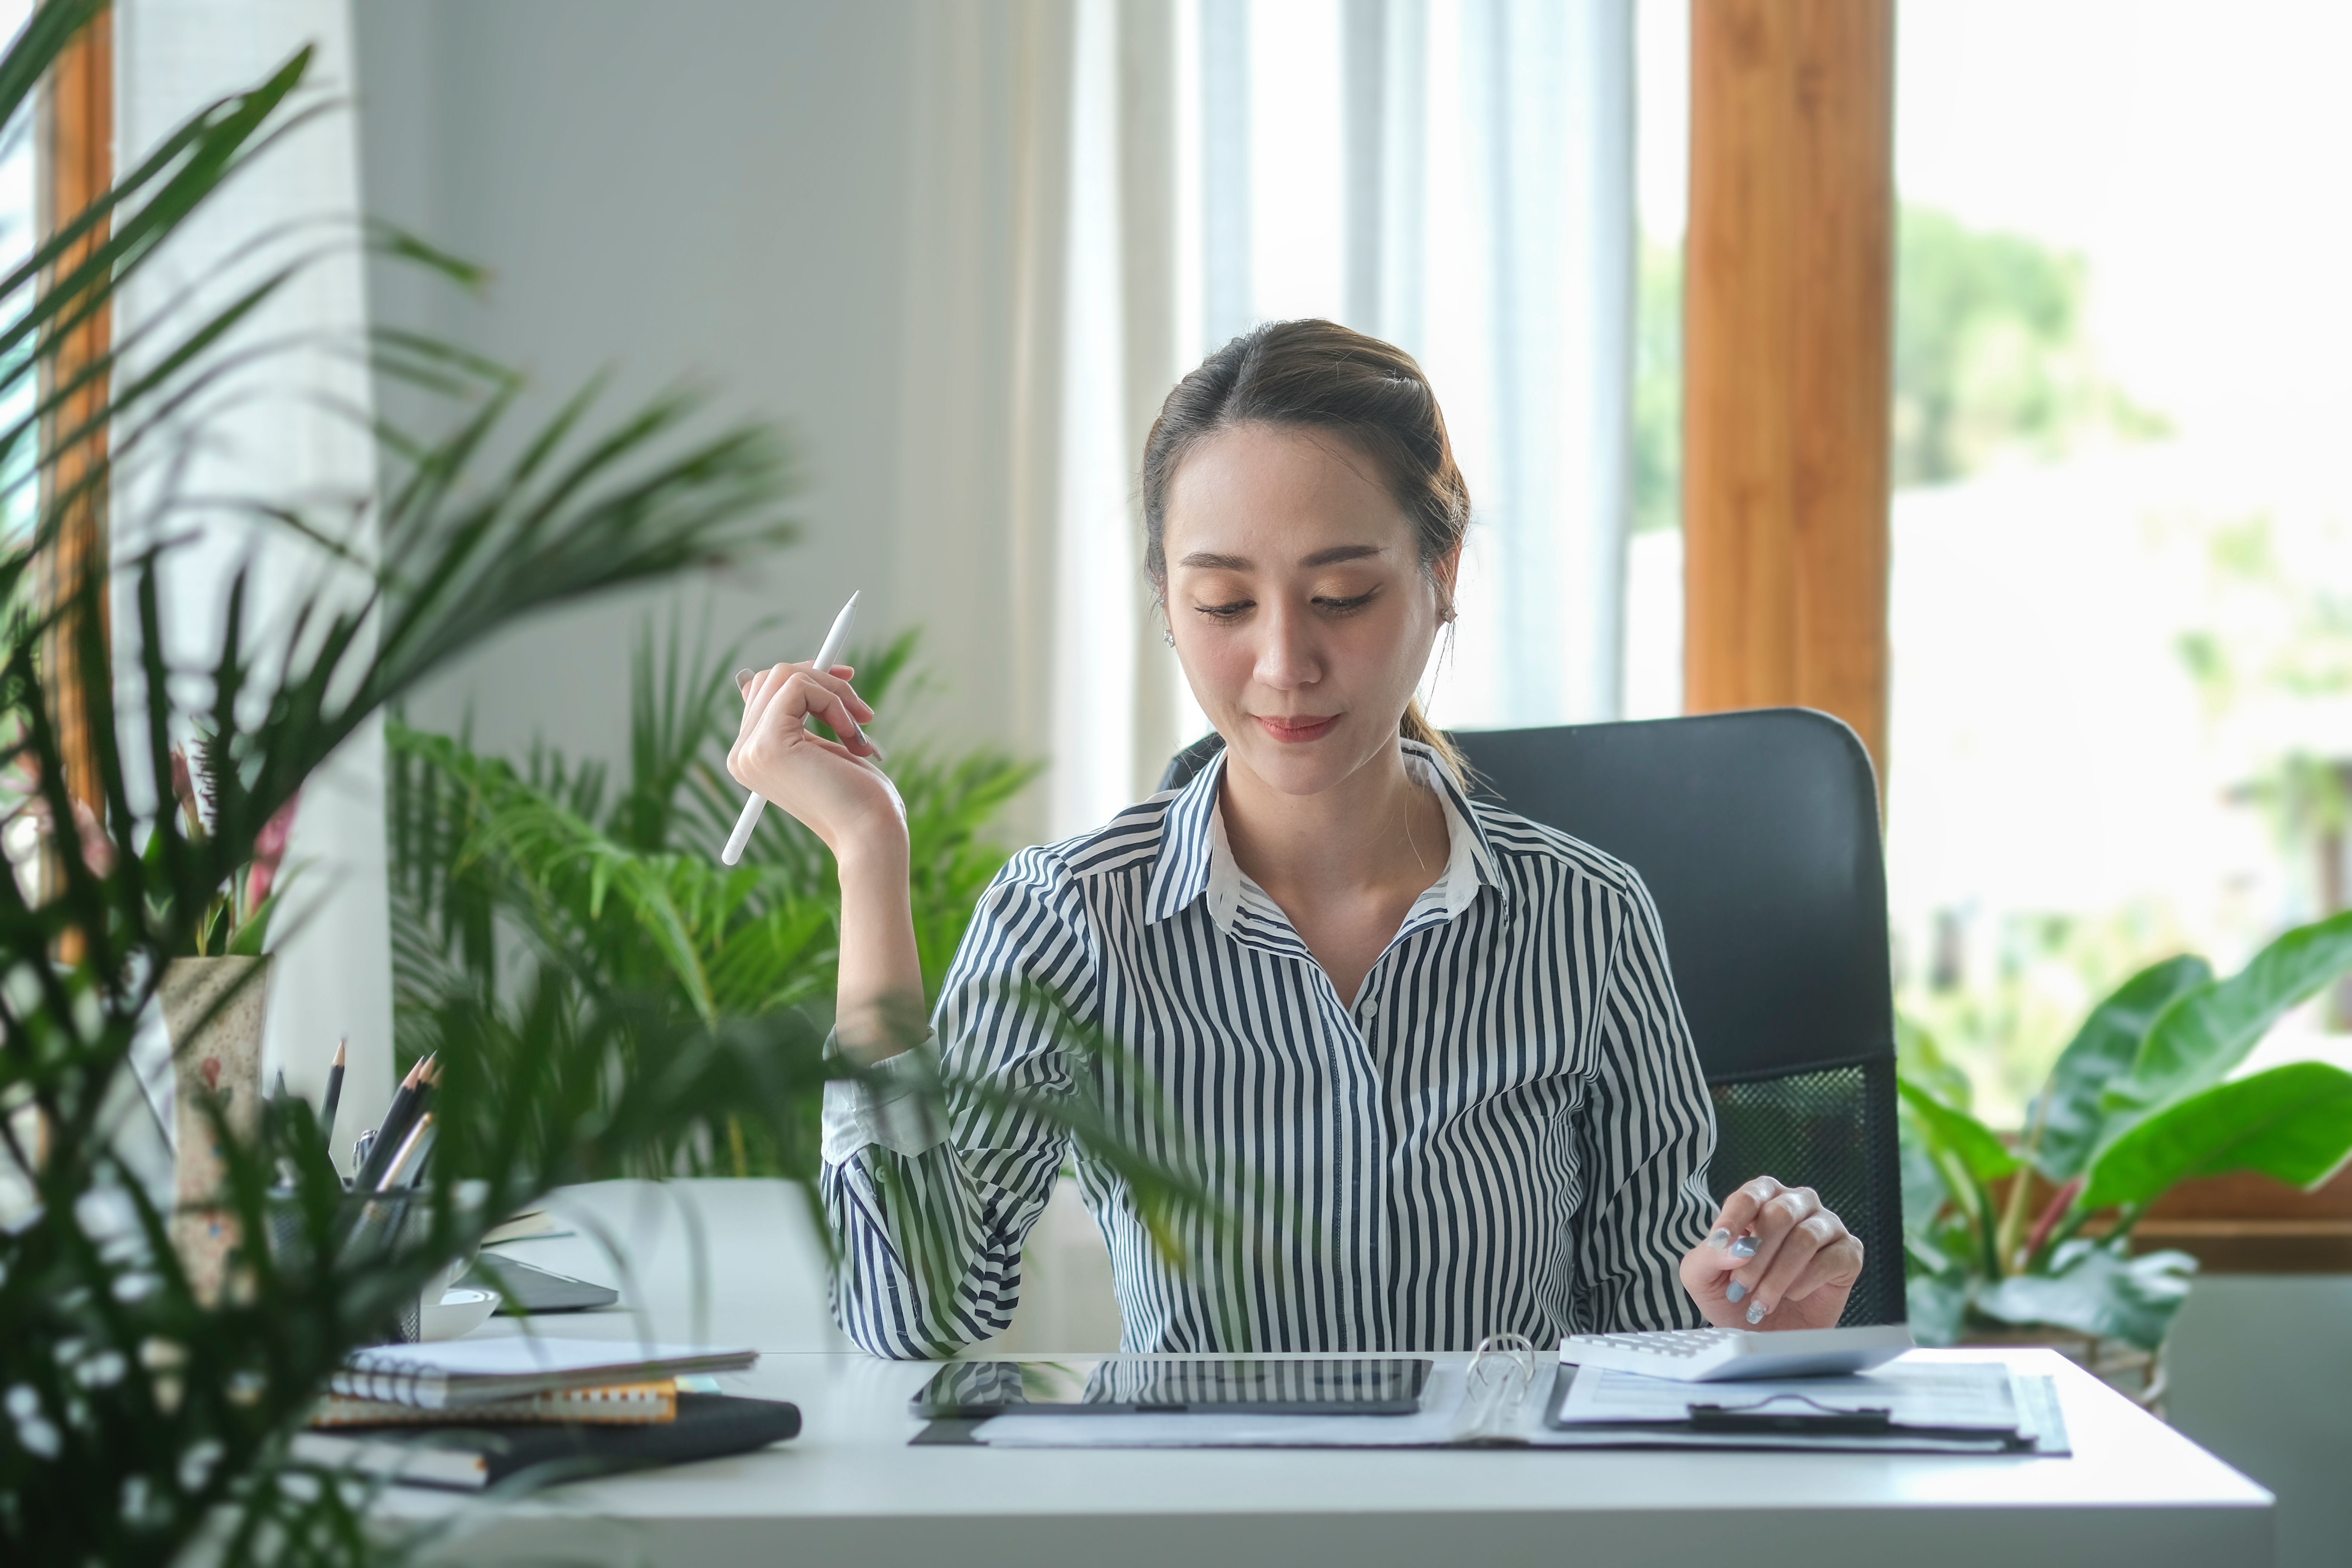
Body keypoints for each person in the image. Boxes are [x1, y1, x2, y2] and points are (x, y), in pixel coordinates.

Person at [729, 319, 1864, 1359]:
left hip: (1495, 1500)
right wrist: (867, 854)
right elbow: (913, 1316)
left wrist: (1753, 1323)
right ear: (1168, 605)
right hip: (1208, 1499)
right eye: (1225, 605)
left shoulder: (1587, 919)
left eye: (1343, 596)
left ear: (1441, 577)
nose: (1283, 665)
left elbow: (1647, 1334)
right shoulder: (1067, 922)